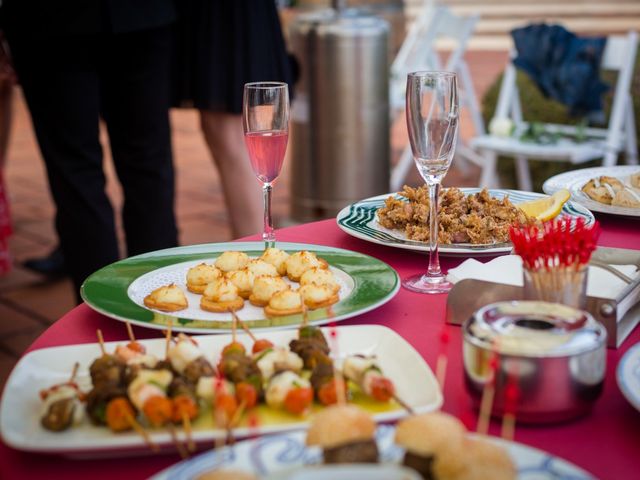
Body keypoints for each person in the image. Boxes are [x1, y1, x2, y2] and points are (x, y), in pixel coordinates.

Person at [2, 1, 179, 300]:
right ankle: (163, 305)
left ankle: (100, 311)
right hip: (139, 14)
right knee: (147, 164)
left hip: (49, 20)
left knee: (76, 174)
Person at [172, 0, 296, 238]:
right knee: (222, 131)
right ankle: (255, 246)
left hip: (226, 14)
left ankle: (255, 251)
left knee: (228, 133)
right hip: (223, 14)